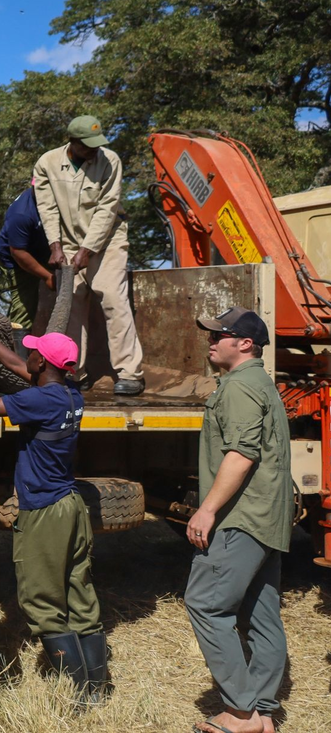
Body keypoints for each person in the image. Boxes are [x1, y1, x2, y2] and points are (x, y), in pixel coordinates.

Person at [0, 299, 107, 704]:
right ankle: (97, 689)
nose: (25, 355)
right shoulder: (71, 394)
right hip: (71, 505)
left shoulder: (38, 402)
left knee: (41, 599)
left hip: (44, 511)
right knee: (79, 593)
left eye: (33, 352)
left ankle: (75, 693)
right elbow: (17, 364)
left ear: (42, 364)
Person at [186, 307, 291, 733]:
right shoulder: (260, 383)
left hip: (241, 518)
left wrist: (207, 509)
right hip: (267, 518)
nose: (210, 341)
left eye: (219, 335)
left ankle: (241, 712)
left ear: (245, 343)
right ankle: (261, 712)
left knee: (205, 603)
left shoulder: (239, 387)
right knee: (262, 616)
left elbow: (242, 454)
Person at [33, 115, 145, 395]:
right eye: (87, 145)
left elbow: (108, 208)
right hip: (68, 242)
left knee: (113, 299)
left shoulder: (110, 161)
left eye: (97, 144)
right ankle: (74, 372)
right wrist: (55, 245)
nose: (94, 150)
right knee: (70, 304)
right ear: (72, 142)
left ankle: (130, 373)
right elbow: (47, 207)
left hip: (107, 241)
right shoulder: (47, 163)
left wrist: (87, 250)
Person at [0, 185, 54, 330]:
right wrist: (47, 277)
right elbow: (18, 252)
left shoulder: (57, 197)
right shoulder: (21, 214)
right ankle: (19, 342)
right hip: (17, 260)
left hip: (43, 249)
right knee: (24, 308)